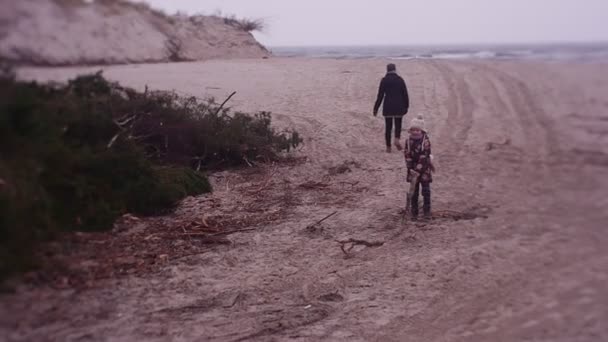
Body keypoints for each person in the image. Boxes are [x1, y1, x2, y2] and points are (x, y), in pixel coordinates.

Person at [373, 63, 410, 153]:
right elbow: (405, 94)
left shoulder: (384, 80)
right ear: (395, 69)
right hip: (399, 105)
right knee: (398, 125)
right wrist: (406, 105)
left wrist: (376, 108)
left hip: (388, 106)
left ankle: (388, 147)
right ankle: (397, 139)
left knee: (388, 127)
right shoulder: (400, 80)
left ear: (387, 70)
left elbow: (380, 95)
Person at [404, 114, 433, 218]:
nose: (415, 132)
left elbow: (424, 155)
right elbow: (407, 154)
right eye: (413, 130)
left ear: (422, 131)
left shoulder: (425, 141)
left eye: (418, 130)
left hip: (424, 168)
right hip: (412, 170)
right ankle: (414, 211)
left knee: (425, 190)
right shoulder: (408, 141)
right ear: (410, 130)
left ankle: (427, 211)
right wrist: (410, 167)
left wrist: (418, 169)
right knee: (414, 192)